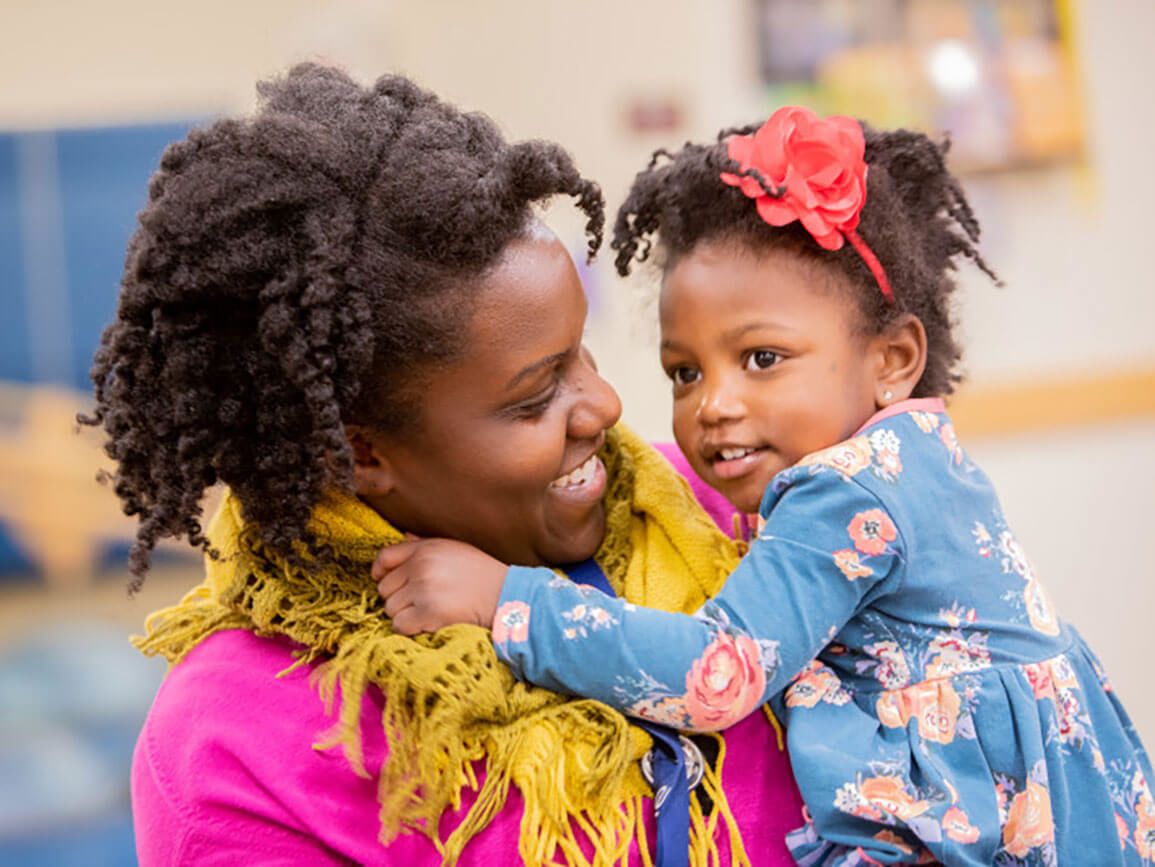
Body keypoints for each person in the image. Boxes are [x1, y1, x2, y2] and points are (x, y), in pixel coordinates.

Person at [375, 107, 1155, 864]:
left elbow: (714, 675)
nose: (713, 404)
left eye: (761, 359)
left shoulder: (847, 492)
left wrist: (506, 599)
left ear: (891, 360)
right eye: (684, 372)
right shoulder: (909, 454)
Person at [84, 64, 806, 865]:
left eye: (581, 353)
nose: (603, 405)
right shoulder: (237, 750)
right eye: (536, 397)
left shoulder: (731, 513)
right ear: (360, 453)